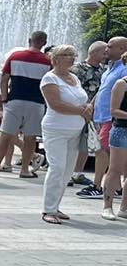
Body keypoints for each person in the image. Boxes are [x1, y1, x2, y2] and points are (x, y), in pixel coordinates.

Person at [0, 30, 51, 178]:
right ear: (44, 43)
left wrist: (4, 99)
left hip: (15, 100)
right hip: (36, 103)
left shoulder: (15, 56)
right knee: (30, 137)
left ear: (29, 40)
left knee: (5, 135)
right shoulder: (48, 61)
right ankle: (25, 169)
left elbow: (4, 79)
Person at [38, 44, 93, 224]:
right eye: (67, 55)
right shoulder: (49, 78)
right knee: (57, 168)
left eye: (73, 54)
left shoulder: (74, 78)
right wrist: (81, 111)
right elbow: (56, 105)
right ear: (56, 58)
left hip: (75, 130)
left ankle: (56, 206)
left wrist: (87, 108)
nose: (72, 58)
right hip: (56, 129)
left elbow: (81, 100)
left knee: (68, 170)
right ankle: (48, 209)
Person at [83, 36, 127, 199]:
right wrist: (91, 105)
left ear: (122, 49)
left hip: (112, 116)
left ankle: (97, 186)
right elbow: (103, 89)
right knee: (106, 151)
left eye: (110, 46)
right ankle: (116, 188)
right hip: (102, 116)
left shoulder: (124, 68)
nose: (106, 49)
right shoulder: (110, 68)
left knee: (102, 150)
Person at [70, 41, 108, 186]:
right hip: (76, 110)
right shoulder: (77, 69)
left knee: (86, 143)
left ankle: (78, 172)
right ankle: (67, 172)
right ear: (94, 52)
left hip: (94, 113)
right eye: (103, 53)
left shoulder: (104, 71)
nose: (106, 56)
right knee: (71, 141)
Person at [101, 53, 127, 220]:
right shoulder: (121, 84)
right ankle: (107, 206)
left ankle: (124, 208)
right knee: (115, 169)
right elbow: (114, 111)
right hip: (121, 130)